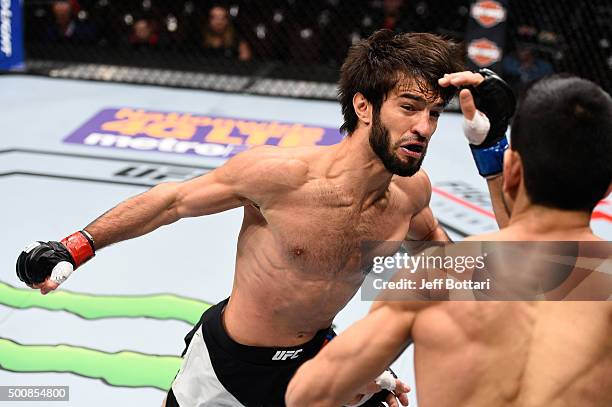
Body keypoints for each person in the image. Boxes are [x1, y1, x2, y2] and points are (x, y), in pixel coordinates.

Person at [16, 30, 511, 406]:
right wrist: (75, 246)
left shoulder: (410, 193)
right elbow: (173, 202)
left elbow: (452, 271)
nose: (424, 127)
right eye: (409, 108)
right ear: (364, 106)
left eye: (434, 113)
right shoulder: (283, 176)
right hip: (228, 368)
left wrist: (366, 360)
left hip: (318, 359)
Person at [285, 75, 612, 407]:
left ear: (513, 169)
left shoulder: (437, 275)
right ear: (609, 187)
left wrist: (373, 377)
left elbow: (306, 395)